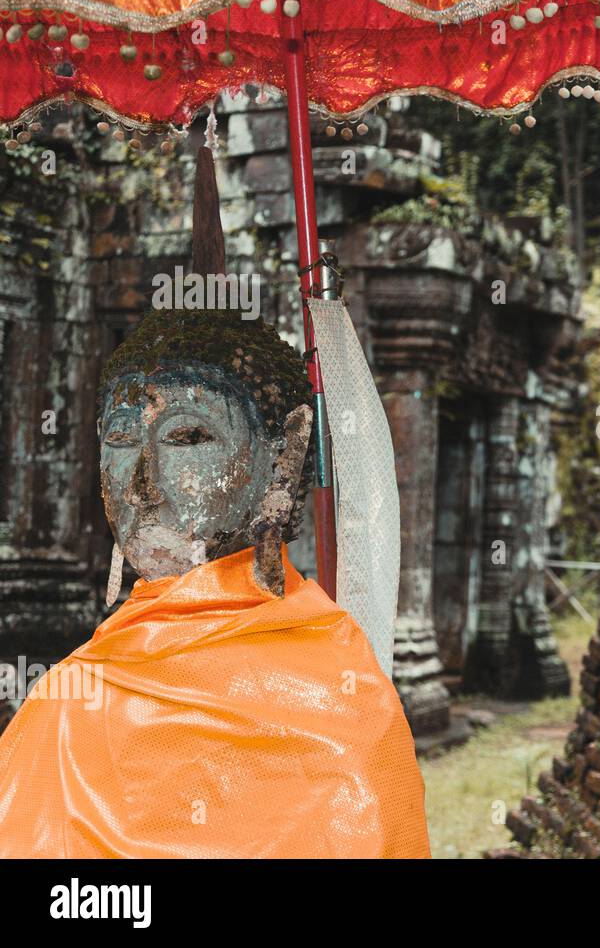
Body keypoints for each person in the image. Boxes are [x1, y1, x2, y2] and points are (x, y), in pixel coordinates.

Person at [0, 149, 429, 857]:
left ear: (281, 459)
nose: (141, 486)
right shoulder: (67, 705)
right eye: (118, 437)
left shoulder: (342, 696)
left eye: (189, 435)